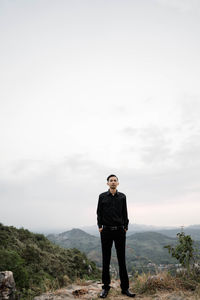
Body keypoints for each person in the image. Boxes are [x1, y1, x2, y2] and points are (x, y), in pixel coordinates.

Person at [96, 174, 136, 298]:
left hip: (119, 231)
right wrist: (100, 226)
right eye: (111, 181)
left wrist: (125, 226)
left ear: (118, 183)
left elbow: (125, 212)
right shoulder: (102, 196)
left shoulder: (122, 197)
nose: (113, 182)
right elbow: (99, 212)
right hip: (106, 231)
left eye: (115, 180)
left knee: (121, 260)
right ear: (107, 183)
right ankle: (105, 288)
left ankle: (125, 288)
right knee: (106, 260)